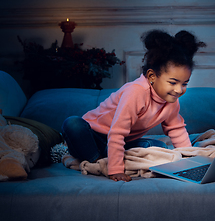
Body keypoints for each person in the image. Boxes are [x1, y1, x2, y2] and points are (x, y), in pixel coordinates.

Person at [61, 30, 206, 182]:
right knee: (72, 124)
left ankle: (105, 155)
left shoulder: (171, 100)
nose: (178, 90)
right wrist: (115, 169)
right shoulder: (136, 92)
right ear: (151, 76)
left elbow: (176, 129)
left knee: (157, 147)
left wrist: (190, 161)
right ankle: (99, 160)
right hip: (94, 135)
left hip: (123, 142)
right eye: (173, 82)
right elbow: (117, 132)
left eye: (184, 84)